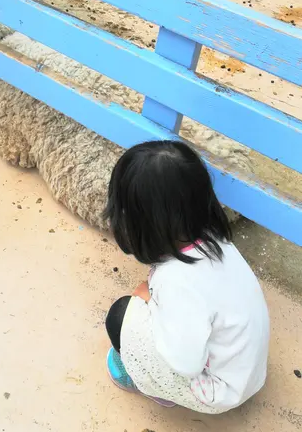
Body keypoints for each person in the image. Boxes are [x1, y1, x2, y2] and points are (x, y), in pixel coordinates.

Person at [104, 140, 270, 414]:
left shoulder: (178, 282)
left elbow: (185, 363)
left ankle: (151, 384)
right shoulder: (217, 242)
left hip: (219, 391)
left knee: (120, 316)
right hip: (248, 373)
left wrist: (146, 300)